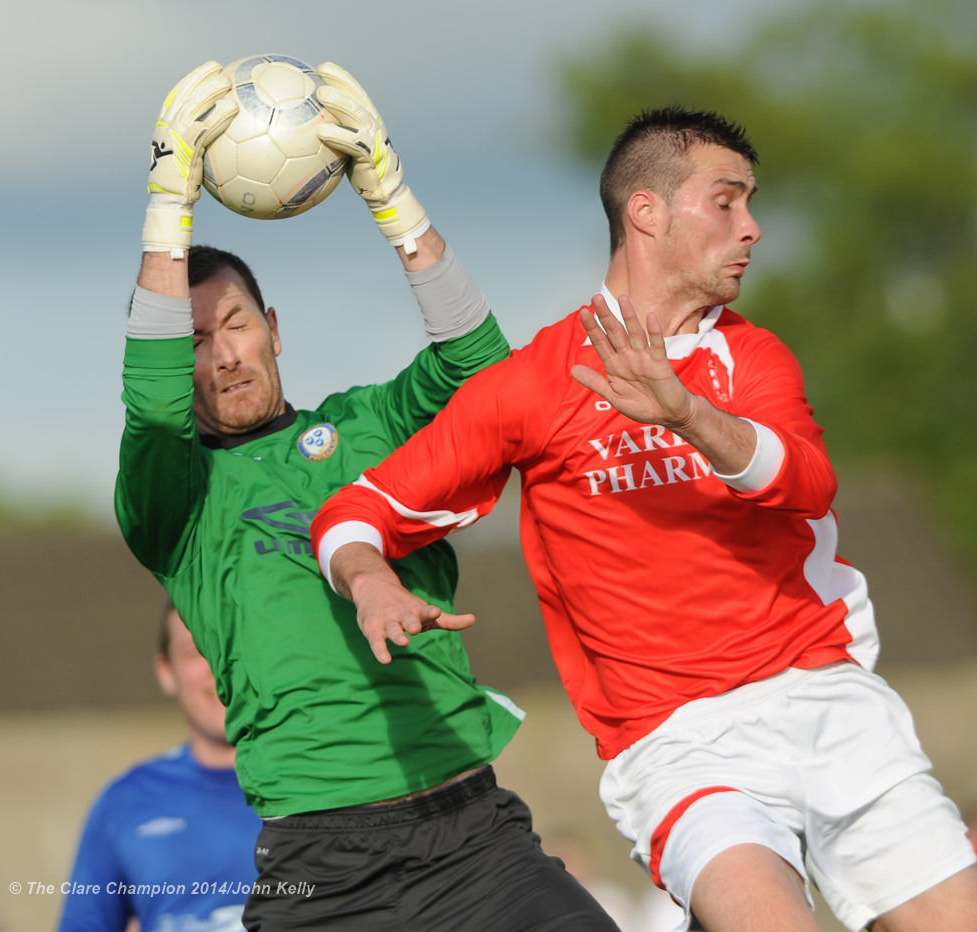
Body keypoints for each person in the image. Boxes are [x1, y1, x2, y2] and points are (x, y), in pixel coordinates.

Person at [311, 106, 977, 931]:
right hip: (680, 743)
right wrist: (370, 578)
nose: (753, 227)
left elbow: (808, 483)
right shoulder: (535, 381)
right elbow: (354, 512)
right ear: (647, 211)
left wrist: (687, 414)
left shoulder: (754, 356)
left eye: (751, 203)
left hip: (831, 702)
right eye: (727, 201)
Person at [116, 60, 618, 931]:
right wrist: (169, 205)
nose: (224, 355)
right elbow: (153, 407)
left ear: (273, 332)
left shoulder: (367, 426)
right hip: (323, 868)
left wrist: (394, 201)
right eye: (195, 341)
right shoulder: (175, 498)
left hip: (473, 840)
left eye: (235, 325)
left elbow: (485, 373)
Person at [58, 603, 261, 932]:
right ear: (166, 673)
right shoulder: (125, 801)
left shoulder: (322, 784)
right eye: (196, 651)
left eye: (230, 646)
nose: (218, 666)